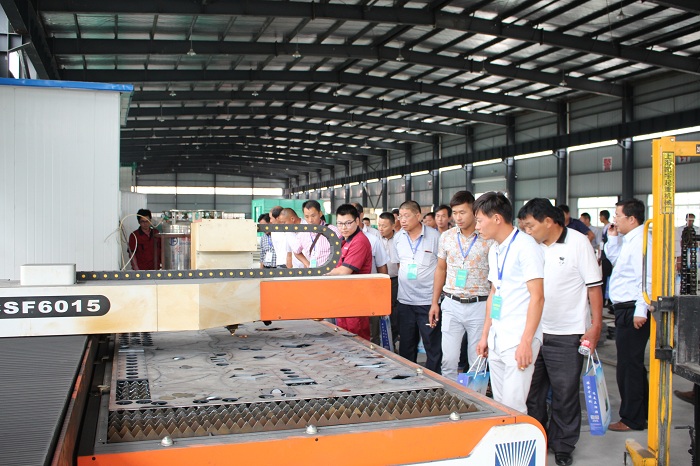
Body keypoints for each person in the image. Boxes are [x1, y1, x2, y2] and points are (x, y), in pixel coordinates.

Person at [518, 199, 603, 466]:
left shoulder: (578, 243)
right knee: (532, 392)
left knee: (565, 393)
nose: (527, 231)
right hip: (534, 331)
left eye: (530, 225)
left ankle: (563, 445)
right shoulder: (529, 245)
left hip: (567, 333)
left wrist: (595, 326)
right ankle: (537, 438)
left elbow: (594, 287)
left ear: (548, 221)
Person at [474, 192, 545, 414]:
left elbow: (538, 297)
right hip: (497, 338)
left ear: (496, 218)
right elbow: (494, 293)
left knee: (514, 406)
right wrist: (486, 335)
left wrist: (526, 342)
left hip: (518, 338)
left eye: (479, 221)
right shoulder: (495, 249)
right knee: (500, 405)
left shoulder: (526, 246)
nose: (477, 227)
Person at [429, 191, 492, 381]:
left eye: (462, 212)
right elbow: (441, 269)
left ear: (474, 211)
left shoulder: (488, 238)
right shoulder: (447, 237)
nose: (458, 217)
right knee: (448, 359)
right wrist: (434, 302)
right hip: (451, 303)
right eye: (455, 213)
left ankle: (475, 396)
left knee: (476, 359)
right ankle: (450, 393)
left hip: (479, 304)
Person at [604, 198, 651, 432]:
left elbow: (647, 278)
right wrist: (613, 240)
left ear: (632, 219)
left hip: (634, 310)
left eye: (618, 216)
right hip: (626, 308)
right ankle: (643, 413)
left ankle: (632, 419)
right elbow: (619, 266)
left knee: (628, 367)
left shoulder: (642, 241)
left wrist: (641, 310)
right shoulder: (630, 240)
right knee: (632, 365)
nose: (615, 220)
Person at [395, 200, 442, 373]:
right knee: (407, 344)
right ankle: (408, 379)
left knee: (432, 344)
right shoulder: (398, 237)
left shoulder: (435, 237)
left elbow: (442, 267)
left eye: (407, 216)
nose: (403, 220)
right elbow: (399, 264)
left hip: (427, 301)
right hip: (405, 301)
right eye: (400, 216)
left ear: (418, 215)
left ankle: (434, 378)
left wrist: (435, 301)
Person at [327, 204, 373, 340]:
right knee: (343, 335)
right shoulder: (343, 239)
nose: (343, 227)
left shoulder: (359, 241)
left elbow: (344, 271)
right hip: (343, 296)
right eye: (340, 224)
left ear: (357, 221)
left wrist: (322, 273)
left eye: (348, 223)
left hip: (355, 298)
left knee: (356, 336)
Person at [351, 203, 388, 344]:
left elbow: (382, 267)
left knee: (372, 332)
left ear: (359, 217)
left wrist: (382, 295)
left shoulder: (373, 239)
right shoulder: (340, 241)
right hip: (349, 293)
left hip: (370, 292)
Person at [292, 200, 341, 267]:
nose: (310, 220)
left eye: (313, 216)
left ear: (320, 213)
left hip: (331, 271)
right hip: (313, 272)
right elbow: (296, 251)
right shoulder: (303, 233)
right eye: (307, 216)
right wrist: (307, 264)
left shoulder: (333, 231)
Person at [378, 211, 401, 343]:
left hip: (395, 280)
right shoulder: (375, 239)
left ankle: (393, 339)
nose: (381, 228)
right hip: (380, 280)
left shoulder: (399, 240)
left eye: (384, 226)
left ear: (393, 226)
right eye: (379, 225)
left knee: (395, 312)